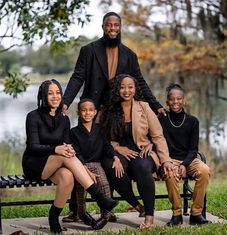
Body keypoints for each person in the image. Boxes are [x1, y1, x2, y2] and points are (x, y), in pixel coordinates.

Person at [62, 11, 166, 222]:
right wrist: (65, 101)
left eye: (116, 25)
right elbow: (77, 77)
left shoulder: (129, 54)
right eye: (109, 25)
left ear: (120, 27)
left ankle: (106, 210)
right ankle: (76, 209)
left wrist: (156, 106)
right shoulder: (89, 50)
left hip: (114, 112)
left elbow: (140, 82)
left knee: (107, 159)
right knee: (81, 156)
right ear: (103, 26)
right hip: (91, 110)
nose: (112, 29)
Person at [22, 79, 118, 234]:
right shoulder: (33, 116)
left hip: (56, 164)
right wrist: (56, 149)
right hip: (34, 163)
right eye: (50, 93)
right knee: (64, 153)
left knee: (68, 177)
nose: (55, 96)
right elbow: (33, 146)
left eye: (58, 92)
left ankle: (53, 218)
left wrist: (84, 169)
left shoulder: (64, 119)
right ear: (43, 96)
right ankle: (99, 196)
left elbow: (68, 148)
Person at [100, 74, 173, 229]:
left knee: (141, 167)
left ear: (135, 89)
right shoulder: (108, 108)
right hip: (119, 150)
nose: (126, 91)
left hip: (142, 150)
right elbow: (100, 136)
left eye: (130, 87)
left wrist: (165, 159)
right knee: (112, 167)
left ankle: (149, 215)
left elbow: (158, 135)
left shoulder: (144, 107)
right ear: (116, 89)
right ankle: (136, 205)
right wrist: (117, 148)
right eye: (122, 87)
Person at [158, 83, 211, 226]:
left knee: (204, 170)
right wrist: (168, 162)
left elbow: (193, 149)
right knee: (170, 174)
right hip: (169, 160)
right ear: (167, 101)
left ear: (184, 100)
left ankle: (196, 214)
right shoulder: (161, 119)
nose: (175, 102)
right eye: (172, 99)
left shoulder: (193, 121)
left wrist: (184, 164)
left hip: (189, 159)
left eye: (179, 98)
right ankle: (177, 214)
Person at [69, 98, 118, 227]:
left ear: (95, 112)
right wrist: (85, 169)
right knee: (81, 189)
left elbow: (107, 147)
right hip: (80, 165)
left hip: (97, 164)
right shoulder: (73, 132)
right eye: (84, 110)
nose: (87, 113)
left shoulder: (100, 129)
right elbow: (77, 153)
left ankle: (105, 216)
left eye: (91, 110)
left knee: (104, 185)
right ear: (79, 112)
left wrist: (115, 157)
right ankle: (82, 213)